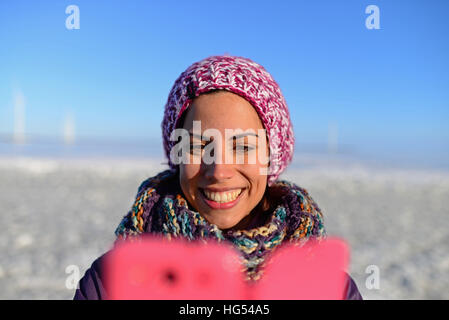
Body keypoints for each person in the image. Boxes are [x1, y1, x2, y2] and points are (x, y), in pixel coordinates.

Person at [74, 55, 362, 300]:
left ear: (269, 157)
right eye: (199, 146)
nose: (219, 171)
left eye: (243, 146)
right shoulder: (109, 284)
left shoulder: (331, 289)